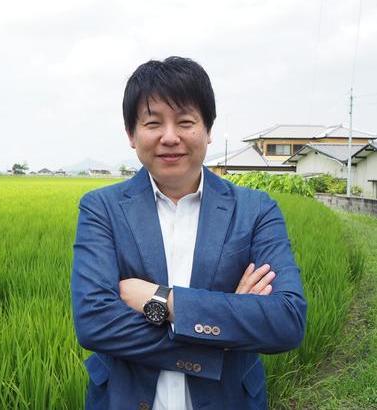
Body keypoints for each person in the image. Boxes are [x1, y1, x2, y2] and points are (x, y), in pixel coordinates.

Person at [70, 57, 306, 410]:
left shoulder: (256, 210)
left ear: (207, 130)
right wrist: (223, 335)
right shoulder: (101, 209)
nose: (169, 137)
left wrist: (163, 301)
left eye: (185, 121)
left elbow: (286, 320)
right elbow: (94, 323)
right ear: (132, 135)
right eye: (153, 123)